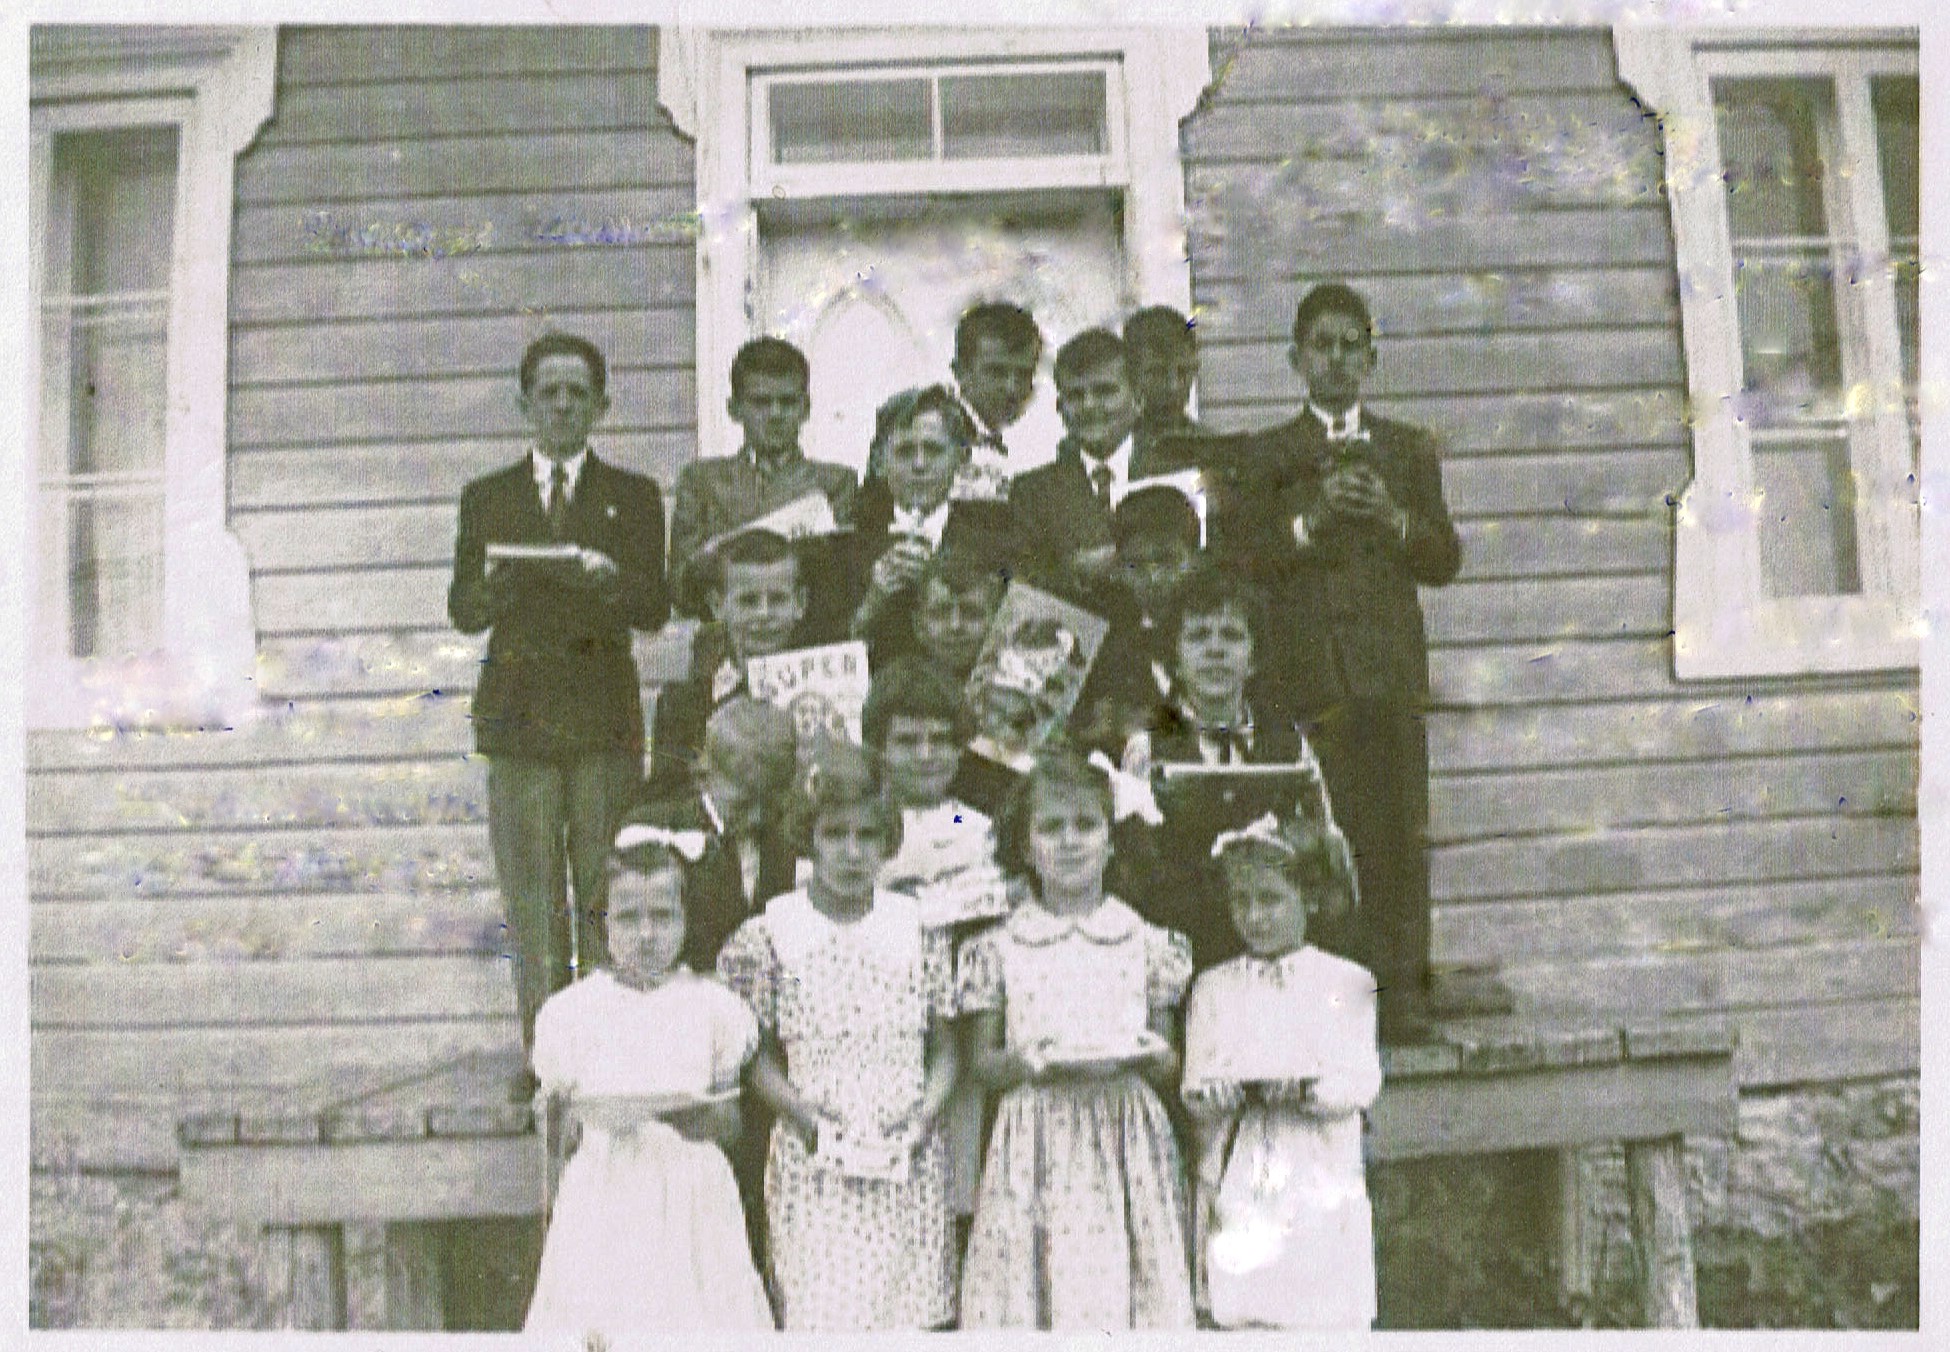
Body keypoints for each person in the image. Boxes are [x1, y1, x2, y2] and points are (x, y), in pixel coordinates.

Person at [1249, 282, 1462, 1042]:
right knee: (1325, 835)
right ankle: (1335, 997)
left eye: (1350, 345)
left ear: (1370, 358)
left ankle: (1402, 996)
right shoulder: (1271, 454)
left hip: (1389, 677)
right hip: (1313, 680)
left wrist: (1394, 517)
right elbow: (1250, 559)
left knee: (1398, 835)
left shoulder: (1406, 449)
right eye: (1320, 346)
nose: (1335, 360)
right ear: (1295, 360)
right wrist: (1313, 523)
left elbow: (1443, 559)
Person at [447, 333, 670, 1059]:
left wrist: (610, 579)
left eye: (580, 392)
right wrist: (498, 585)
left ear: (602, 405)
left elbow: (654, 608)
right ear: (525, 404)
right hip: (518, 721)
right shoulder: (489, 497)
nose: (565, 405)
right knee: (534, 907)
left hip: (602, 721)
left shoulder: (631, 497)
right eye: (550, 392)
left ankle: (608, 1056)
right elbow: (464, 608)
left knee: (604, 896)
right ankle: (547, 1058)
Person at [716, 742, 961, 1330]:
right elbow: (755, 1055)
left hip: (906, 1149)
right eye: (835, 834)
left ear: (886, 842)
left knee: (908, 1315)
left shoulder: (917, 927)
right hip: (815, 1149)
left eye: (868, 836)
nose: (853, 852)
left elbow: (946, 1048)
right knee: (823, 1313)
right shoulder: (772, 933)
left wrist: (923, 1116)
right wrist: (800, 1111)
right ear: (808, 836)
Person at [957, 750, 1196, 1330]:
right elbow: (983, 1063)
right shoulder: (1001, 947)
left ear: (1112, 841)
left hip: (1124, 1135)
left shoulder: (1144, 942)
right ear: (1026, 847)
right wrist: (1026, 1064)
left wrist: (1156, 1055)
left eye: (1086, 826)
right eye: (1051, 828)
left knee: (1124, 1286)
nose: (1069, 842)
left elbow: (1166, 1060)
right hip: (1034, 1133)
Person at [524, 834, 773, 1333]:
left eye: (662, 917)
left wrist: (705, 1117)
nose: (646, 935)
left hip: (691, 1196)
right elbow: (555, 1135)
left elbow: (731, 1123)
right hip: (606, 1194)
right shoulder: (572, 1014)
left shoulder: (712, 1008)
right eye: (628, 918)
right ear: (602, 921)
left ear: (686, 921)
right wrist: (553, 1114)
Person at [1181, 814, 1381, 1330]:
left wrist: (1307, 1089)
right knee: (1244, 1305)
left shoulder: (1347, 981)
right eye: (1241, 902)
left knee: (1317, 1306)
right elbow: (1194, 1086)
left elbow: (1360, 1081)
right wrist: (1217, 1094)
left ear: (1310, 898)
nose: (1254, 916)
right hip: (1243, 1166)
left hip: (1317, 1168)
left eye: (1270, 900)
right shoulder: (1213, 989)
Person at [1122, 565, 1350, 971]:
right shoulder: (1148, 748)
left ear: (1255, 657)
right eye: (1198, 636)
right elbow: (1139, 866)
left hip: (1273, 943)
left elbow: (1324, 848)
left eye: (1232, 636)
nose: (1215, 650)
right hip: (1185, 946)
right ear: (1174, 658)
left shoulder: (1288, 745)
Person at [863, 660, 1010, 1231]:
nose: (926, 754)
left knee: (953, 1166)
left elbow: (985, 902)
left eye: (940, 740)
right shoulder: (861, 823)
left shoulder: (971, 823)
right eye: (906, 741)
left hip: (950, 1013)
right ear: (877, 746)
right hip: (879, 1018)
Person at [669, 335, 858, 630]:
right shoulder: (703, 482)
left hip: (803, 644)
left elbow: (838, 586)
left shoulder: (833, 482)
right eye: (760, 402)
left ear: (805, 408)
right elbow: (680, 591)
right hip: (726, 649)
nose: (775, 414)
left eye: (787, 402)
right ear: (734, 409)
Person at [848, 385, 1012, 667]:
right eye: (904, 451)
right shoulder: (850, 542)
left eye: (934, 450)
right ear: (879, 462)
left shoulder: (998, 539)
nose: (920, 465)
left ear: (961, 459)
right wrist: (873, 600)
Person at [646, 528, 810, 795]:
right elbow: (664, 800)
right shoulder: (683, 705)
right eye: (748, 601)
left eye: (778, 599)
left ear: (800, 603)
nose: (764, 614)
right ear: (717, 604)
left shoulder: (833, 687)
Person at [1005, 328, 1140, 597]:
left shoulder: (1175, 471)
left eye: (1105, 391)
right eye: (1076, 395)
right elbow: (1025, 588)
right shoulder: (1030, 494)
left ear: (1138, 397)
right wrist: (1074, 571)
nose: (1089, 405)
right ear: (1060, 408)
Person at [1073, 482, 1204, 756]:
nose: (1154, 578)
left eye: (1167, 561)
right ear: (1118, 569)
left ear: (1196, 561)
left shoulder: (1225, 627)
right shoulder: (1105, 644)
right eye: (1136, 565)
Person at [948, 300, 1044, 467]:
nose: (1012, 388)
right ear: (961, 372)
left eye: (1024, 374)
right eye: (996, 372)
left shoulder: (1031, 446)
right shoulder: (935, 443)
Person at [1124, 304, 1209, 475]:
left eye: (1183, 371)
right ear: (1131, 375)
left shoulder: (1210, 448)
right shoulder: (1116, 449)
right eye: (1157, 373)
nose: (1173, 386)